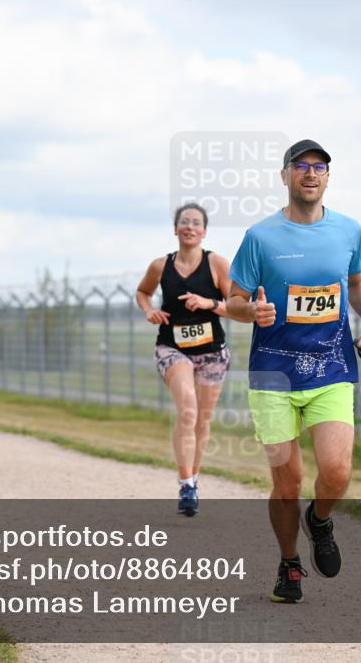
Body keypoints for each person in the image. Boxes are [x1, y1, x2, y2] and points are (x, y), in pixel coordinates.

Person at [225, 139, 361, 603]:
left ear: (328, 177)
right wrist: (248, 312)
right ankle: (289, 565)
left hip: (332, 368)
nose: (311, 174)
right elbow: (234, 300)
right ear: (285, 176)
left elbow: (356, 282)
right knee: (288, 481)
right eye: (301, 167)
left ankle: (319, 519)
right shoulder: (261, 237)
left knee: (336, 471)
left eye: (320, 167)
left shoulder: (348, 230)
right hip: (273, 375)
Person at [136, 203, 232, 517]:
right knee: (187, 408)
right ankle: (186, 482)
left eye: (196, 223)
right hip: (172, 347)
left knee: (202, 418)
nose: (189, 227)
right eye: (184, 222)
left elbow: (236, 306)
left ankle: (194, 477)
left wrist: (208, 302)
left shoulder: (217, 263)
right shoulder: (160, 266)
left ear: (204, 231)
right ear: (175, 229)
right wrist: (150, 310)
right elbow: (142, 292)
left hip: (212, 351)